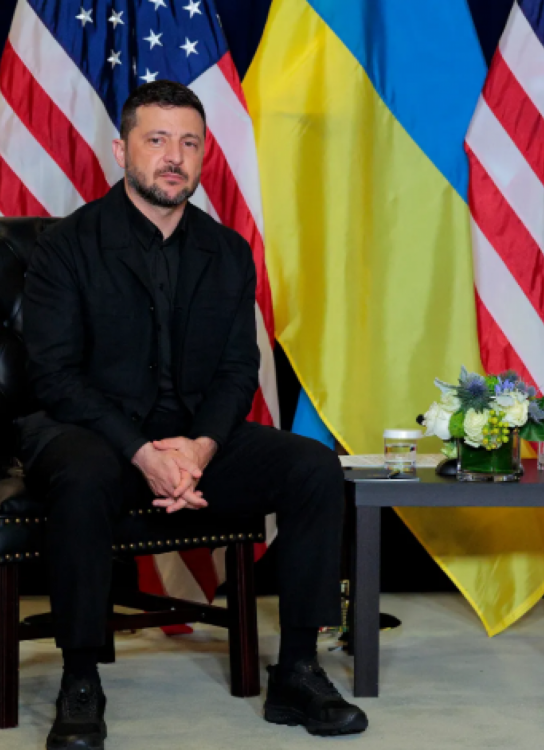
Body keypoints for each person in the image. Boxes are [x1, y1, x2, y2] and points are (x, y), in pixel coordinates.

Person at [18, 81, 368, 749]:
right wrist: (143, 452)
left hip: (192, 439)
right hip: (88, 431)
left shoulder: (227, 251)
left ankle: (297, 670)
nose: (173, 157)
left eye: (188, 143)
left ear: (204, 154)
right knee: (84, 477)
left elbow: (238, 370)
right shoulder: (67, 245)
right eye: (156, 140)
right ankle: (80, 679)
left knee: (313, 467)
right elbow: (55, 377)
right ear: (121, 150)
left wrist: (200, 448)